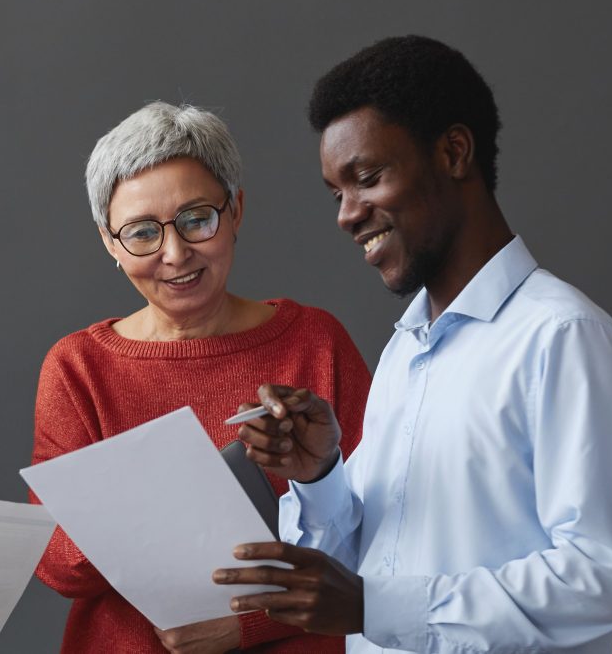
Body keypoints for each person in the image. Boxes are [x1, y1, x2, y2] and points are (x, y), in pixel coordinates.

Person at [218, 36, 612, 653]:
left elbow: (601, 578)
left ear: (453, 152)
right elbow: (365, 560)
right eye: (336, 193)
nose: (346, 214)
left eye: (366, 178)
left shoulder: (564, 338)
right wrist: (318, 475)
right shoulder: (407, 349)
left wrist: (375, 605)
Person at [31, 102, 371, 653]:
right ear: (109, 243)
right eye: (142, 232)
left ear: (235, 210)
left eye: (196, 219)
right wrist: (168, 492)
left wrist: (249, 624)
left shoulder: (315, 342)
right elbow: (59, 568)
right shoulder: (77, 367)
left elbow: (383, 543)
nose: (174, 252)